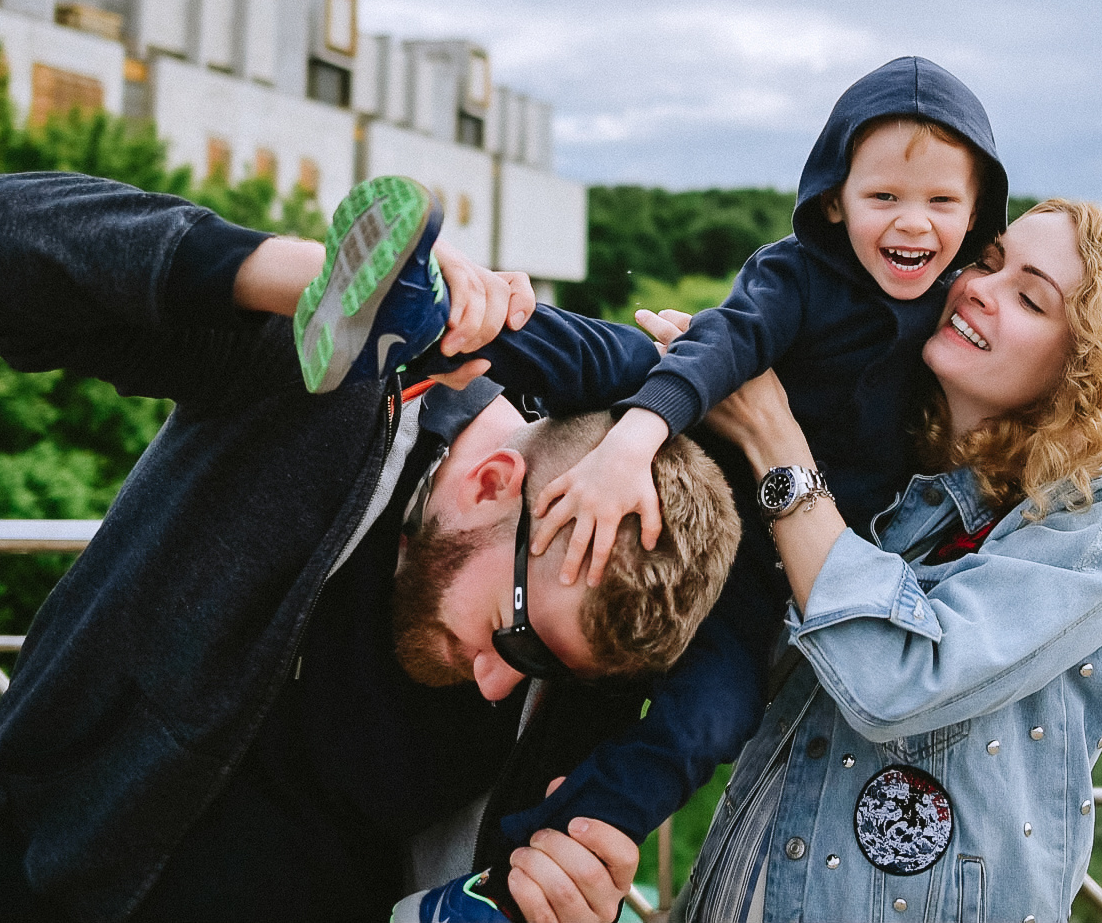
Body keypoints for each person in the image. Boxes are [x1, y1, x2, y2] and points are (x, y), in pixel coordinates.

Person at [0, 171, 742, 923]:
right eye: (516, 633)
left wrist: (555, 899)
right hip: (35, 892)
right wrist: (314, 282)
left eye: (547, 666)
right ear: (491, 483)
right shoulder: (331, 385)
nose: (502, 678)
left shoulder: (582, 651)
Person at [394, 56, 1013, 912]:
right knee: (631, 356)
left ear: (978, 209)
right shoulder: (795, 274)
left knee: (707, 721)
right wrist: (636, 438)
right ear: (834, 198)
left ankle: (499, 891)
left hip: (755, 583)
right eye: (885, 198)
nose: (914, 223)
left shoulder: (953, 314)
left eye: (943, 202)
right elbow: (720, 347)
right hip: (678, 474)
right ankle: (434, 320)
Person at [674, 197, 1102, 923]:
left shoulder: (1098, 522)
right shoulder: (875, 461)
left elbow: (898, 677)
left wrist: (773, 440)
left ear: (1082, 365)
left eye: (1028, 296)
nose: (980, 286)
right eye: (987, 261)